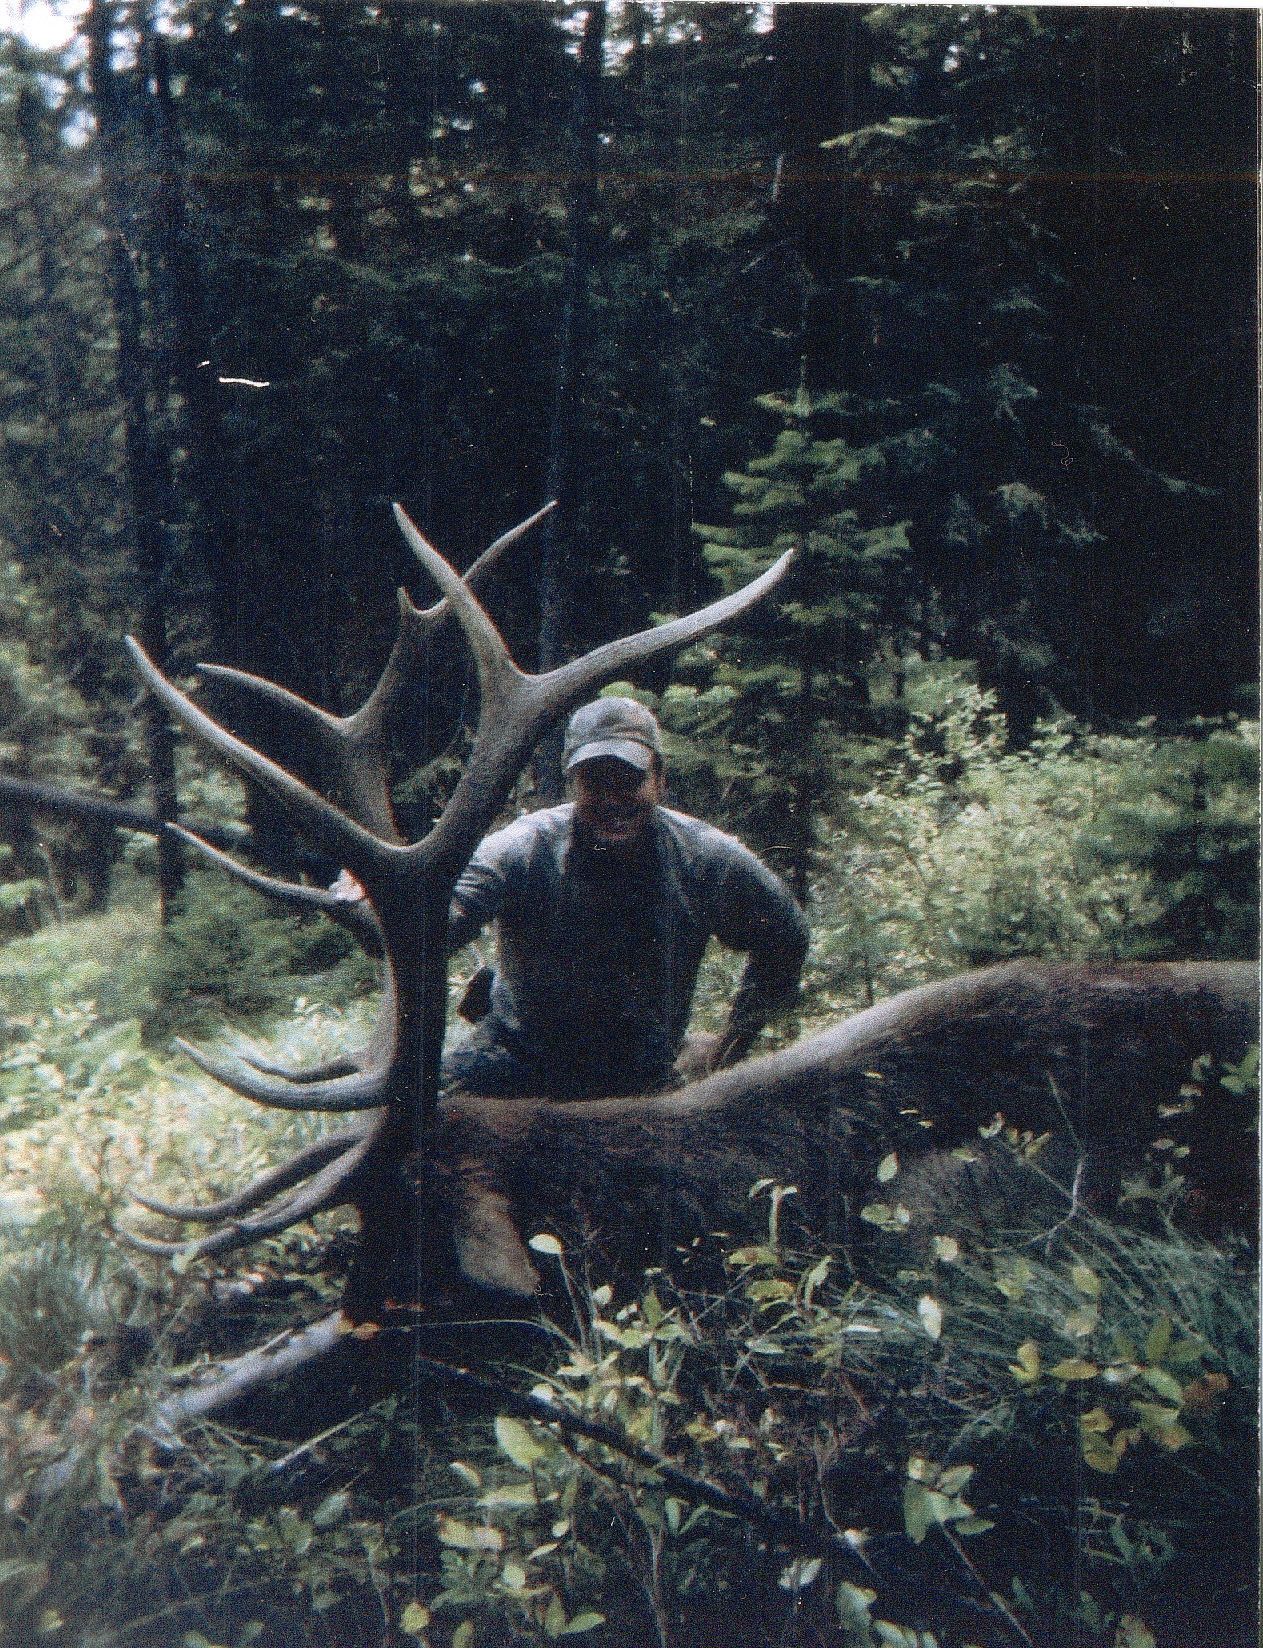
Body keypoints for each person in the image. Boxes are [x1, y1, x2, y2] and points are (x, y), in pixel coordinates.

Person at [441, 696, 809, 1101]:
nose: (611, 799)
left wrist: (734, 1046)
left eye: (628, 780)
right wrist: (374, 906)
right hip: (513, 1061)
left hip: (637, 1080)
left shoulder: (704, 857)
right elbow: (448, 914)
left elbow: (785, 935)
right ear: (573, 785)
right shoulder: (525, 846)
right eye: (594, 782)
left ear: (660, 779)